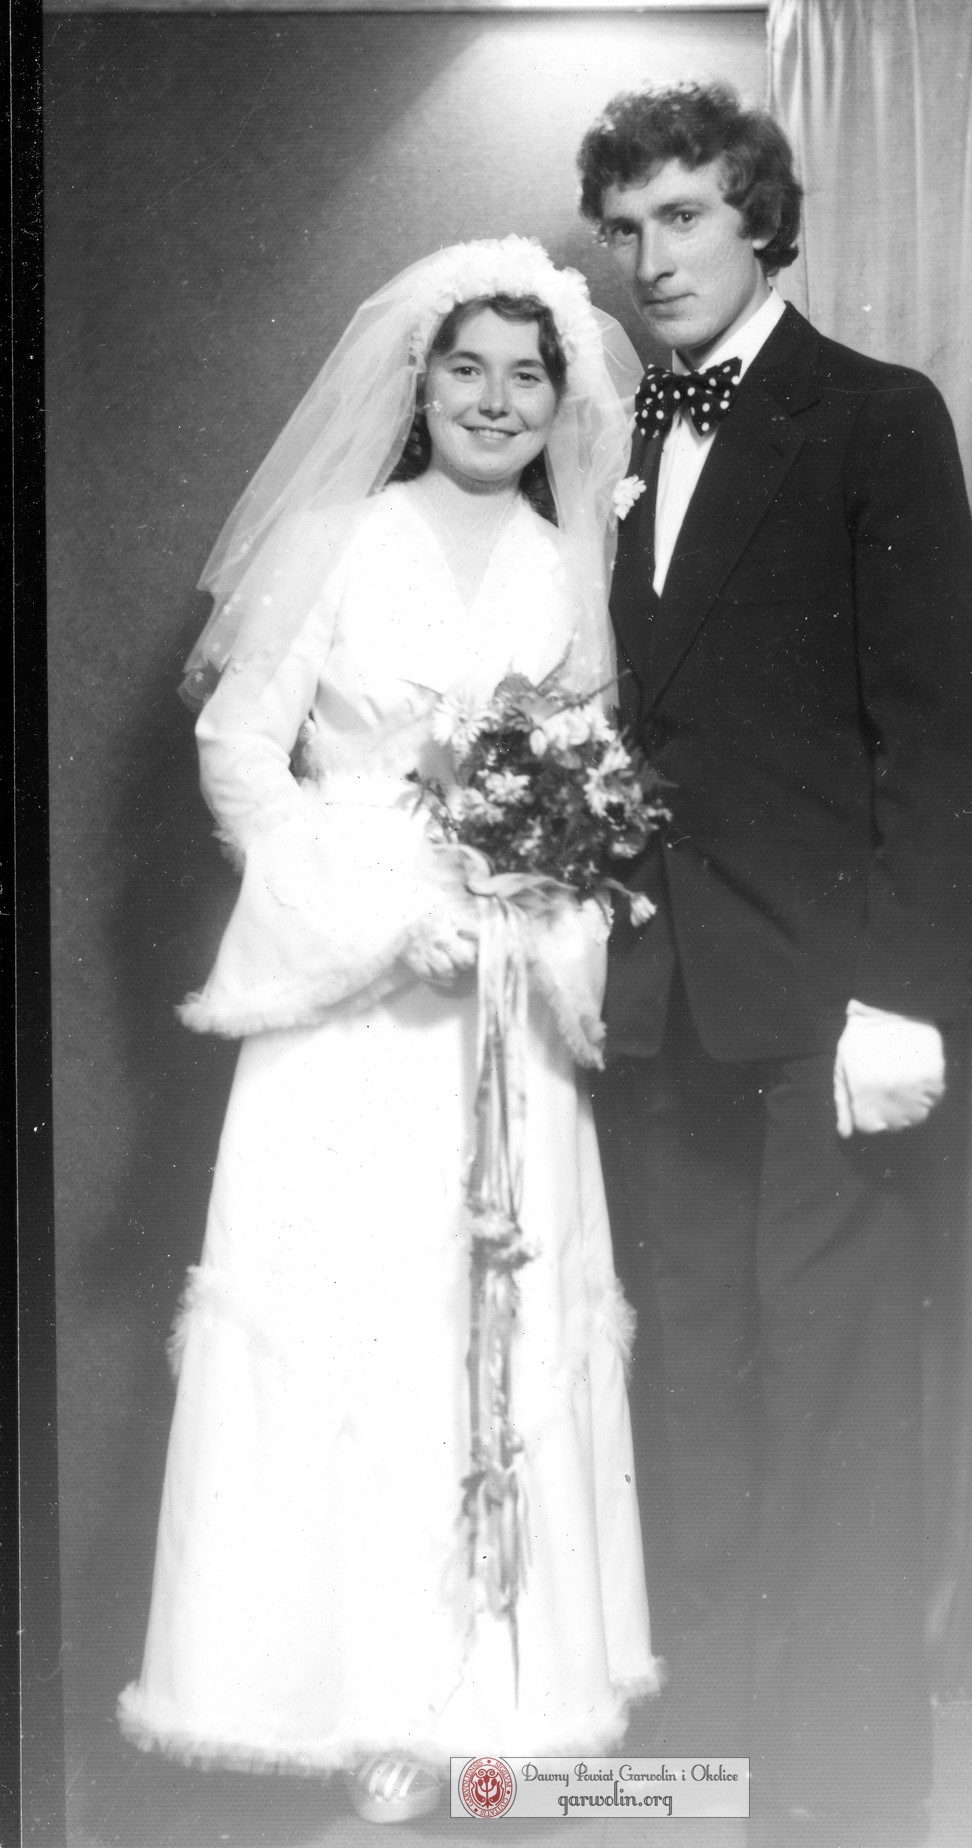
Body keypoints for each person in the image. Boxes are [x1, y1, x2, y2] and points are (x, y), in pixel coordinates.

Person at [117, 237, 659, 1823]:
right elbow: (242, 753)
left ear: (560, 399)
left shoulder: (565, 565)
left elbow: (592, 779)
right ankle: (341, 1699)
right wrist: (373, 912)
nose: (496, 400)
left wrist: (533, 904)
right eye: (466, 369)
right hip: (356, 1005)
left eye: (527, 375)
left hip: (504, 999)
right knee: (354, 1318)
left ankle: (486, 1710)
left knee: (490, 1320)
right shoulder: (339, 540)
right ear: (417, 383)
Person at [577, 84, 972, 1847]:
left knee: (830, 1391)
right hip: (664, 1006)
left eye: (683, 216)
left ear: (761, 218)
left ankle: (841, 1798)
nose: (649, 256)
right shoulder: (611, 425)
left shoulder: (874, 415)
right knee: (689, 1379)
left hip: (830, 1012)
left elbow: (944, 732)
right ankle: (714, 1773)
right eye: (625, 228)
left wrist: (903, 997)